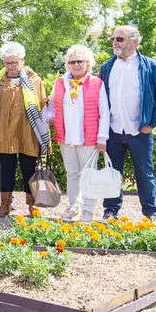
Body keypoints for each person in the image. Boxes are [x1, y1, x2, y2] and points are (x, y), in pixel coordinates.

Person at [99, 25, 156, 221]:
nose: (115, 43)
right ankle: (111, 211)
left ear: (135, 41)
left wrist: (151, 124)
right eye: (113, 39)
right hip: (114, 130)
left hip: (140, 131)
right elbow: (100, 100)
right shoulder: (107, 67)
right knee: (112, 174)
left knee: (145, 174)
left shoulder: (151, 66)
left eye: (120, 39)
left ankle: (150, 213)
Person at [0, 41, 49, 218]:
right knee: (5, 169)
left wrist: (43, 134)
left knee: (29, 168)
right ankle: (5, 204)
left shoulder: (34, 80)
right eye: (7, 63)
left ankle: (33, 205)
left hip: (27, 132)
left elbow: (42, 107)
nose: (10, 67)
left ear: (22, 61)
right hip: (3, 132)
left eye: (14, 62)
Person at [47, 45, 110, 222]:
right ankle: (73, 206)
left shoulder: (97, 83)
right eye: (72, 62)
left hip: (88, 138)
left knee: (88, 175)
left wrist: (102, 137)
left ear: (87, 63)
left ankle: (88, 209)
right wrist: (47, 118)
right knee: (72, 173)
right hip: (66, 137)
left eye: (79, 61)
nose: (76, 65)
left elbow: (104, 112)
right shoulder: (60, 83)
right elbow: (51, 107)